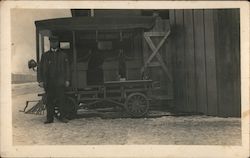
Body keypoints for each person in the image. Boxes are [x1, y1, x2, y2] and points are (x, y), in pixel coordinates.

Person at [38, 36, 70, 124]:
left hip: (60, 82)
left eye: (55, 42)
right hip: (49, 83)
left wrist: (67, 80)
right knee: (49, 101)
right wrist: (40, 81)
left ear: (58, 43)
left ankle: (62, 117)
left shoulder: (63, 55)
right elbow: (40, 69)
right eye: (52, 42)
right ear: (50, 43)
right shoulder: (45, 55)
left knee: (61, 100)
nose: (53, 43)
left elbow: (67, 69)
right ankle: (49, 119)